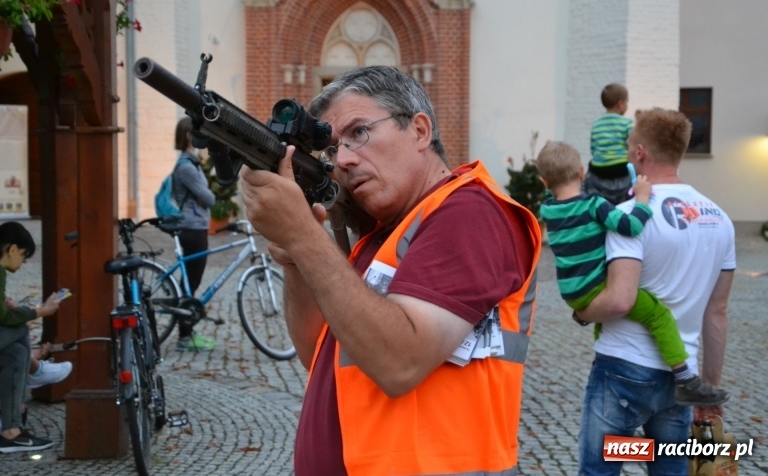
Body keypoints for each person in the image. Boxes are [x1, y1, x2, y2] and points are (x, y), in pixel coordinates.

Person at [240, 66, 541, 475]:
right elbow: (319, 353)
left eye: (359, 132)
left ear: (419, 131)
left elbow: (399, 362)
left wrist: (303, 237)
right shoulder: (385, 233)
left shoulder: (469, 212)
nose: (342, 160)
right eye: (332, 150)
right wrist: (297, 255)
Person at [575, 108, 736, 474]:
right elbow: (718, 313)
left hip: (623, 371)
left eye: (630, 144)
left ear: (640, 153)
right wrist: (708, 390)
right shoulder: (720, 219)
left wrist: (583, 311)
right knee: (667, 466)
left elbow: (620, 299)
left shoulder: (630, 215)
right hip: (680, 379)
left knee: (603, 466)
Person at [537, 141, 728, 407]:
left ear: (544, 182)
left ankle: (603, 355)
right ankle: (684, 378)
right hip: (596, 286)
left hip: (572, 292)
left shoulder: (547, 210)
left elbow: (554, 199)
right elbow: (631, 225)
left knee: (608, 321)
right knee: (658, 314)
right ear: (582, 173)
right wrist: (641, 197)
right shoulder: (593, 205)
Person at [0, 222, 66, 452]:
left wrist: (15, 310)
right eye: (23, 255)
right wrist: (39, 311)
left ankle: (11, 432)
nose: (23, 263)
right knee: (20, 330)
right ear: (12, 250)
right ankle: (35, 371)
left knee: (16, 355)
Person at [171, 116, 217, 351]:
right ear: (189, 136)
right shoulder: (187, 167)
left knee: (189, 283)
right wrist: (209, 192)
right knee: (190, 284)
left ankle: (186, 333)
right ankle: (185, 336)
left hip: (193, 227)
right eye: (198, 134)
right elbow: (208, 198)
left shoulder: (189, 164)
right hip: (192, 228)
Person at [582, 83, 634, 205]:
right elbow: (633, 145)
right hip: (621, 168)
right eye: (627, 102)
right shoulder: (627, 123)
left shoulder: (596, 124)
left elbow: (593, 149)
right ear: (620, 104)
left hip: (599, 170)